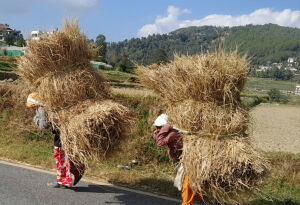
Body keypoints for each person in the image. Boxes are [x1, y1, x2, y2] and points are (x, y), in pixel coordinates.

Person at [26, 92, 84, 188]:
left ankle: (64, 180)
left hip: (61, 133)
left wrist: (35, 119)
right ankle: (76, 171)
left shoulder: (41, 109)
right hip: (62, 132)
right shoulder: (47, 105)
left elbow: (43, 125)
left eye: (32, 106)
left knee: (60, 156)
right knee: (64, 155)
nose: (32, 108)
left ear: (35, 103)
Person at [153, 114, 203, 205]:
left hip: (188, 159)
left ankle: (187, 203)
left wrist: (165, 128)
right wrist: (159, 131)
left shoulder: (173, 133)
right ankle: (200, 197)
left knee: (187, 182)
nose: (157, 129)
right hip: (180, 160)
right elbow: (157, 139)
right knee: (190, 181)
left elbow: (160, 143)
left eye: (159, 127)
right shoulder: (166, 132)